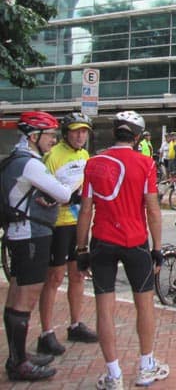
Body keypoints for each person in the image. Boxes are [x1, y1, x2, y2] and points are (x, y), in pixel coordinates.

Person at [76, 110, 167, 390]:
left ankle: (113, 374)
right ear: (137, 137)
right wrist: (157, 247)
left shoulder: (93, 163)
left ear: (114, 133)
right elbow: (152, 209)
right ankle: (145, 367)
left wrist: (81, 249)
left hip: (102, 240)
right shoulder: (145, 163)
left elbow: (86, 210)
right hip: (135, 241)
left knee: (104, 307)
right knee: (144, 304)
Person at [2, 111, 74, 381]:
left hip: (20, 234)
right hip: (31, 235)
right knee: (26, 297)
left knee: (16, 294)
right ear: (34, 137)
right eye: (50, 135)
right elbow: (63, 194)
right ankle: (19, 363)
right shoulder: (31, 164)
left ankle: (17, 355)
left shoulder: (16, 159)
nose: (53, 140)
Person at [37, 113, 98, 359]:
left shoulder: (85, 156)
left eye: (84, 131)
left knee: (78, 274)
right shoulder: (53, 156)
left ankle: (75, 324)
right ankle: (46, 332)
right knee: (54, 277)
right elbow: (42, 193)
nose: (80, 136)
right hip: (58, 224)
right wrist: (63, 198)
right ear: (66, 133)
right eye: (75, 131)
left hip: (79, 224)